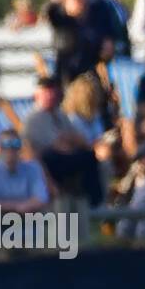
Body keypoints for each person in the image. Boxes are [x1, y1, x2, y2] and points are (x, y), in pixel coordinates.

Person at [24, 77, 104, 206]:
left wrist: (69, 140)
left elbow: (79, 139)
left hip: (64, 156)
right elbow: (56, 145)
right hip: (45, 162)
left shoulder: (60, 115)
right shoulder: (34, 119)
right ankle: (92, 203)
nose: (50, 95)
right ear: (37, 95)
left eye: (52, 91)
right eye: (46, 92)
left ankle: (95, 203)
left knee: (89, 156)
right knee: (81, 158)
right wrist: (68, 140)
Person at [45, 0, 111, 86]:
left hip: (90, 73)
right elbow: (49, 12)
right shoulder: (61, 21)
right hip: (66, 74)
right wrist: (55, 0)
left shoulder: (94, 21)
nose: (80, 3)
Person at [0, 129, 50, 212]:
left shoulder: (33, 168)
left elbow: (42, 198)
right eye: (5, 144)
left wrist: (23, 207)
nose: (10, 149)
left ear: (20, 147)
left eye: (15, 144)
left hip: (28, 221)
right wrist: (16, 207)